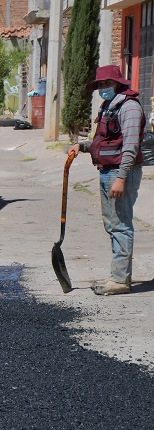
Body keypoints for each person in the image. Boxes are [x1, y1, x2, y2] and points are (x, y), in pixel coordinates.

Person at [68, 65, 145, 295]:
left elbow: (130, 146)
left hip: (120, 173)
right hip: (106, 171)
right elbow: (103, 140)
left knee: (120, 225)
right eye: (100, 84)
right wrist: (82, 146)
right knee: (112, 225)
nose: (103, 88)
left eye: (107, 83)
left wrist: (121, 178)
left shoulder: (129, 107)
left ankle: (120, 280)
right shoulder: (108, 106)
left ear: (118, 83)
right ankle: (117, 275)